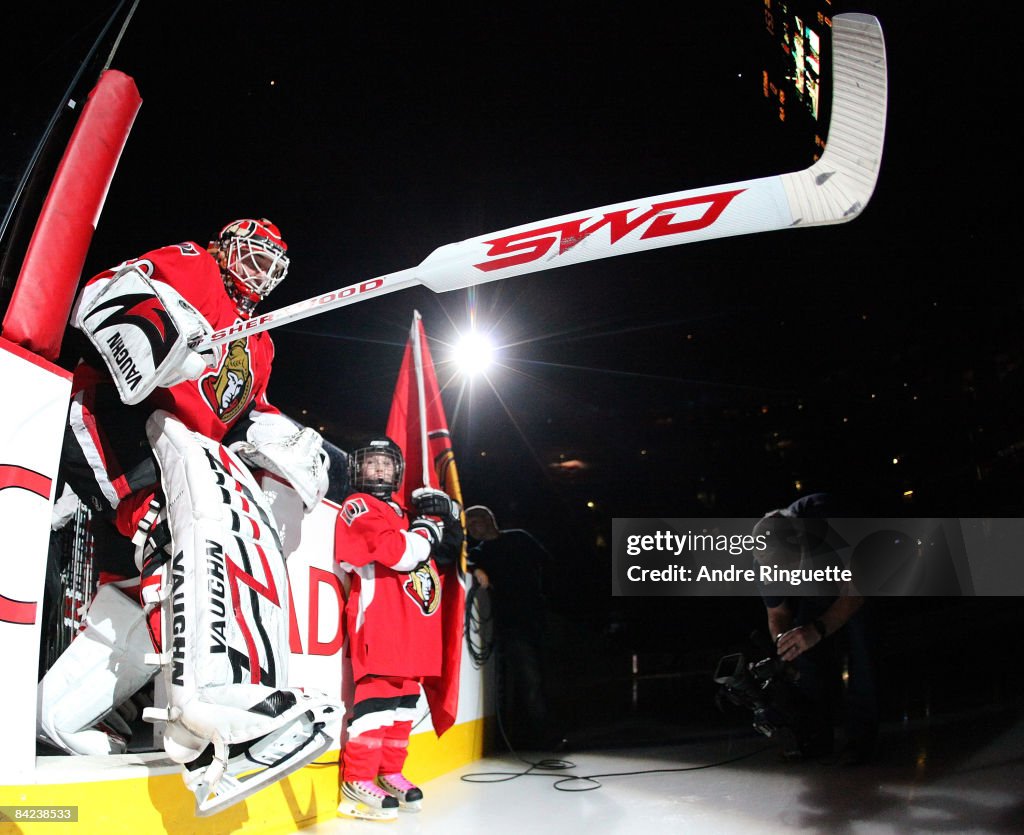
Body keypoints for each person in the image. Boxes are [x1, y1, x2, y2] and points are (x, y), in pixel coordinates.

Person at [38, 219, 342, 814]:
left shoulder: (264, 341)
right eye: (252, 257)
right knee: (178, 547)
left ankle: (60, 714)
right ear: (228, 247)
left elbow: (245, 411)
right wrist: (169, 327)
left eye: (271, 268)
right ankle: (209, 713)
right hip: (118, 420)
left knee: (136, 591)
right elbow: (102, 294)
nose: (259, 275)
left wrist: (287, 440)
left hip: (178, 452)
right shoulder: (194, 262)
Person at [333, 436, 463, 822]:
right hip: (382, 624)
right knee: (375, 707)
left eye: (386, 464)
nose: (379, 470)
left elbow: (445, 553)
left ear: (398, 471)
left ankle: (390, 772)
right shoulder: (358, 507)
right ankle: (356, 780)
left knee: (404, 706)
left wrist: (449, 517)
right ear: (358, 468)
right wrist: (426, 528)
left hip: (414, 631)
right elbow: (401, 554)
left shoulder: (405, 514)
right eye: (372, 463)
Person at [752, 492, 879, 764]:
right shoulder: (766, 557)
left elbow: (859, 588)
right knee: (807, 656)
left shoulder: (829, 522)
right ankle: (816, 735)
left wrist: (818, 630)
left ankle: (861, 736)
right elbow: (777, 612)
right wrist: (785, 644)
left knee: (863, 648)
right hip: (818, 591)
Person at [464, 505, 556, 749]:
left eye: (476, 523)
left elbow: (547, 563)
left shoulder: (518, 537)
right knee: (529, 680)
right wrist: (476, 569)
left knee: (546, 676)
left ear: (490, 520)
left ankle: (551, 731)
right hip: (511, 623)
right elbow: (460, 562)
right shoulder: (479, 553)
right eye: (469, 526)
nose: (473, 529)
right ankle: (544, 738)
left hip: (538, 617)